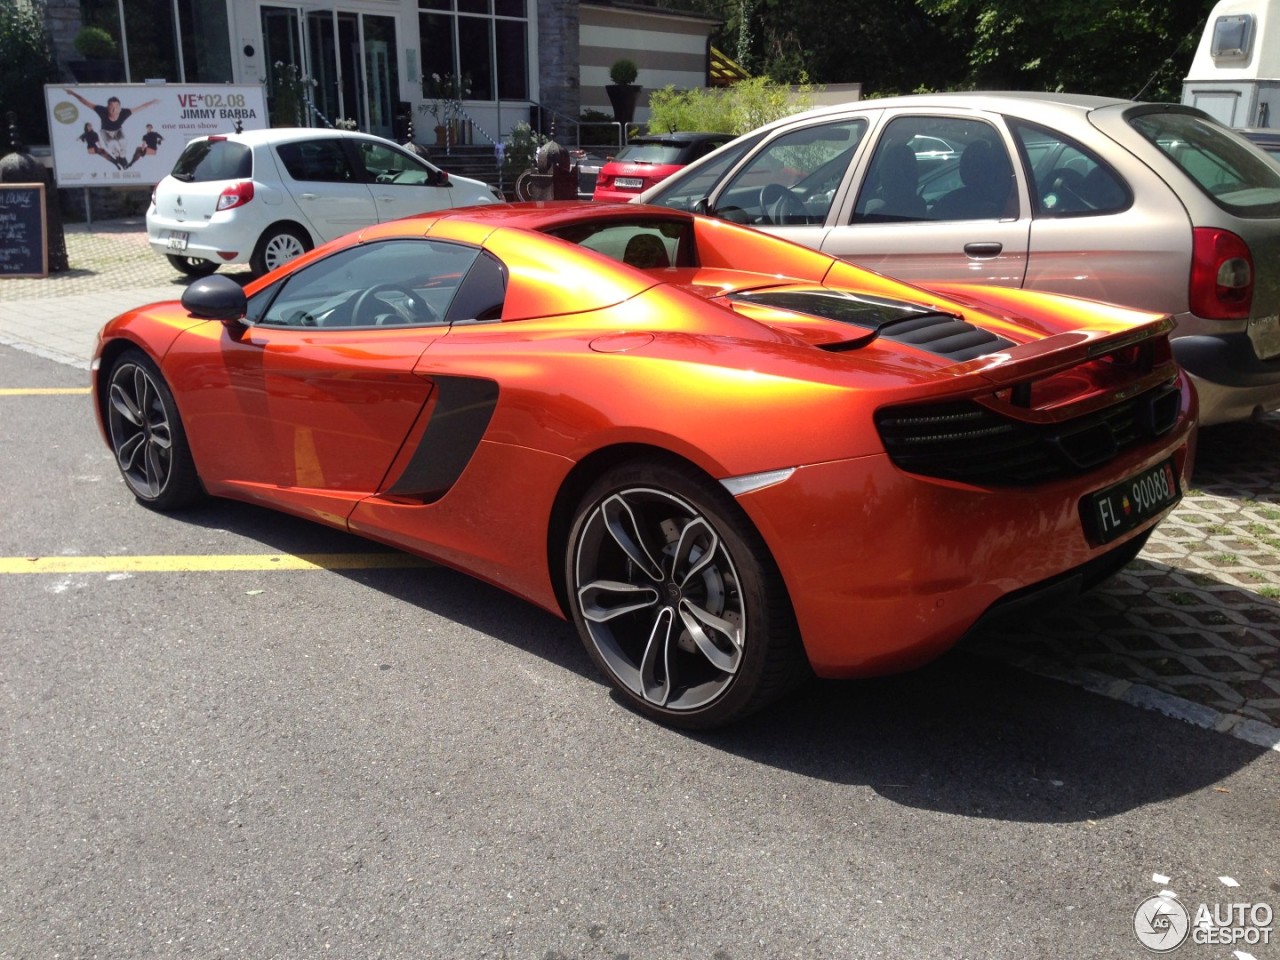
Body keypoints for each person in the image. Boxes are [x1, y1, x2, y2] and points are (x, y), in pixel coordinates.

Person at [63, 89, 160, 170]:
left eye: (116, 107)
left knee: (123, 142)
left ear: (120, 107)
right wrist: (73, 93)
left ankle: (122, 157)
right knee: (113, 144)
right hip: (105, 132)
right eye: (111, 108)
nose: (114, 111)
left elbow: (140, 108)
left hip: (118, 131)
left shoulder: (124, 112)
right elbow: (86, 103)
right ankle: (117, 156)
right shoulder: (102, 110)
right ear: (107, 107)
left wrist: (152, 102)